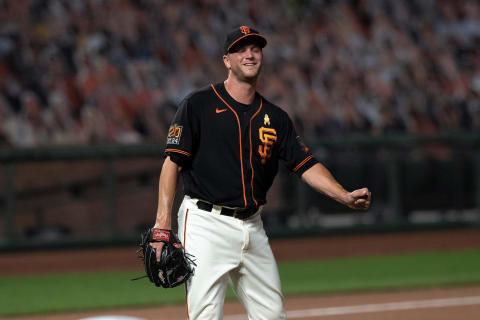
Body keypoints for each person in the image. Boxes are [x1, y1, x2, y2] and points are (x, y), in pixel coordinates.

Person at [151, 25, 371, 319]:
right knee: (205, 315)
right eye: (241, 49)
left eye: (255, 48)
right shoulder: (198, 105)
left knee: (273, 315)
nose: (250, 54)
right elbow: (172, 163)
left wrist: (343, 195)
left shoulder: (275, 118)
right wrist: (162, 225)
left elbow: (305, 164)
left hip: (253, 226)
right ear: (226, 60)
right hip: (205, 223)